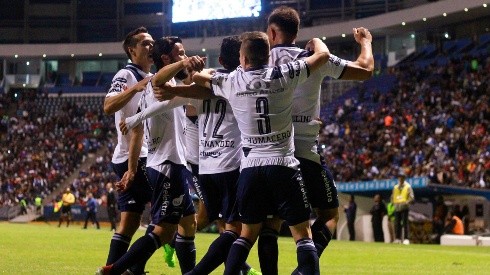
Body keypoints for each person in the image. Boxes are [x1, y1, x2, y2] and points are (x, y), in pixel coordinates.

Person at [189, 31, 332, 275]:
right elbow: (323, 55)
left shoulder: (232, 82)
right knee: (302, 234)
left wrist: (196, 68)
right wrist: (317, 41)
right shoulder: (284, 74)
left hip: (251, 168)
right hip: (283, 165)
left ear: (243, 58)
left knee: (246, 234)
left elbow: (198, 77)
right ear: (268, 56)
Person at [259, 6, 373, 273]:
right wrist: (365, 42)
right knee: (329, 214)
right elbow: (365, 69)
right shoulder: (315, 58)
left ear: (272, 32)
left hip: (264, 153)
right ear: (296, 33)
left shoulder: (254, 62)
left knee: (269, 224)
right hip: (305, 151)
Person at [96, 36, 205, 275]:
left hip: (170, 163)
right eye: (180, 52)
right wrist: (183, 64)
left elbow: (169, 102)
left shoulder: (164, 86)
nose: (185, 56)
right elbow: (158, 80)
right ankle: (117, 269)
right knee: (163, 230)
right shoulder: (154, 83)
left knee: (188, 223)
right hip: (167, 165)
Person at [103, 26, 156, 275]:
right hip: (135, 157)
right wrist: (133, 88)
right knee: (168, 214)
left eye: (152, 42)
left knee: (130, 221)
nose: (150, 46)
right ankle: (133, 269)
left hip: (134, 156)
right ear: (131, 50)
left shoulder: (151, 75)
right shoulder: (127, 74)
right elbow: (108, 105)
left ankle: (114, 269)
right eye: (145, 43)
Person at [392, 172, 414, 244]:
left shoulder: (408, 186)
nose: (400, 178)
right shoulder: (395, 187)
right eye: (399, 177)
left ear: (404, 178)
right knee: (397, 224)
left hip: (404, 207)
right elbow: (392, 196)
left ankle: (406, 239)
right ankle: (397, 238)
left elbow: (412, 197)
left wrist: (407, 202)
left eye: (402, 177)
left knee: (405, 223)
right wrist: (393, 203)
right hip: (397, 207)